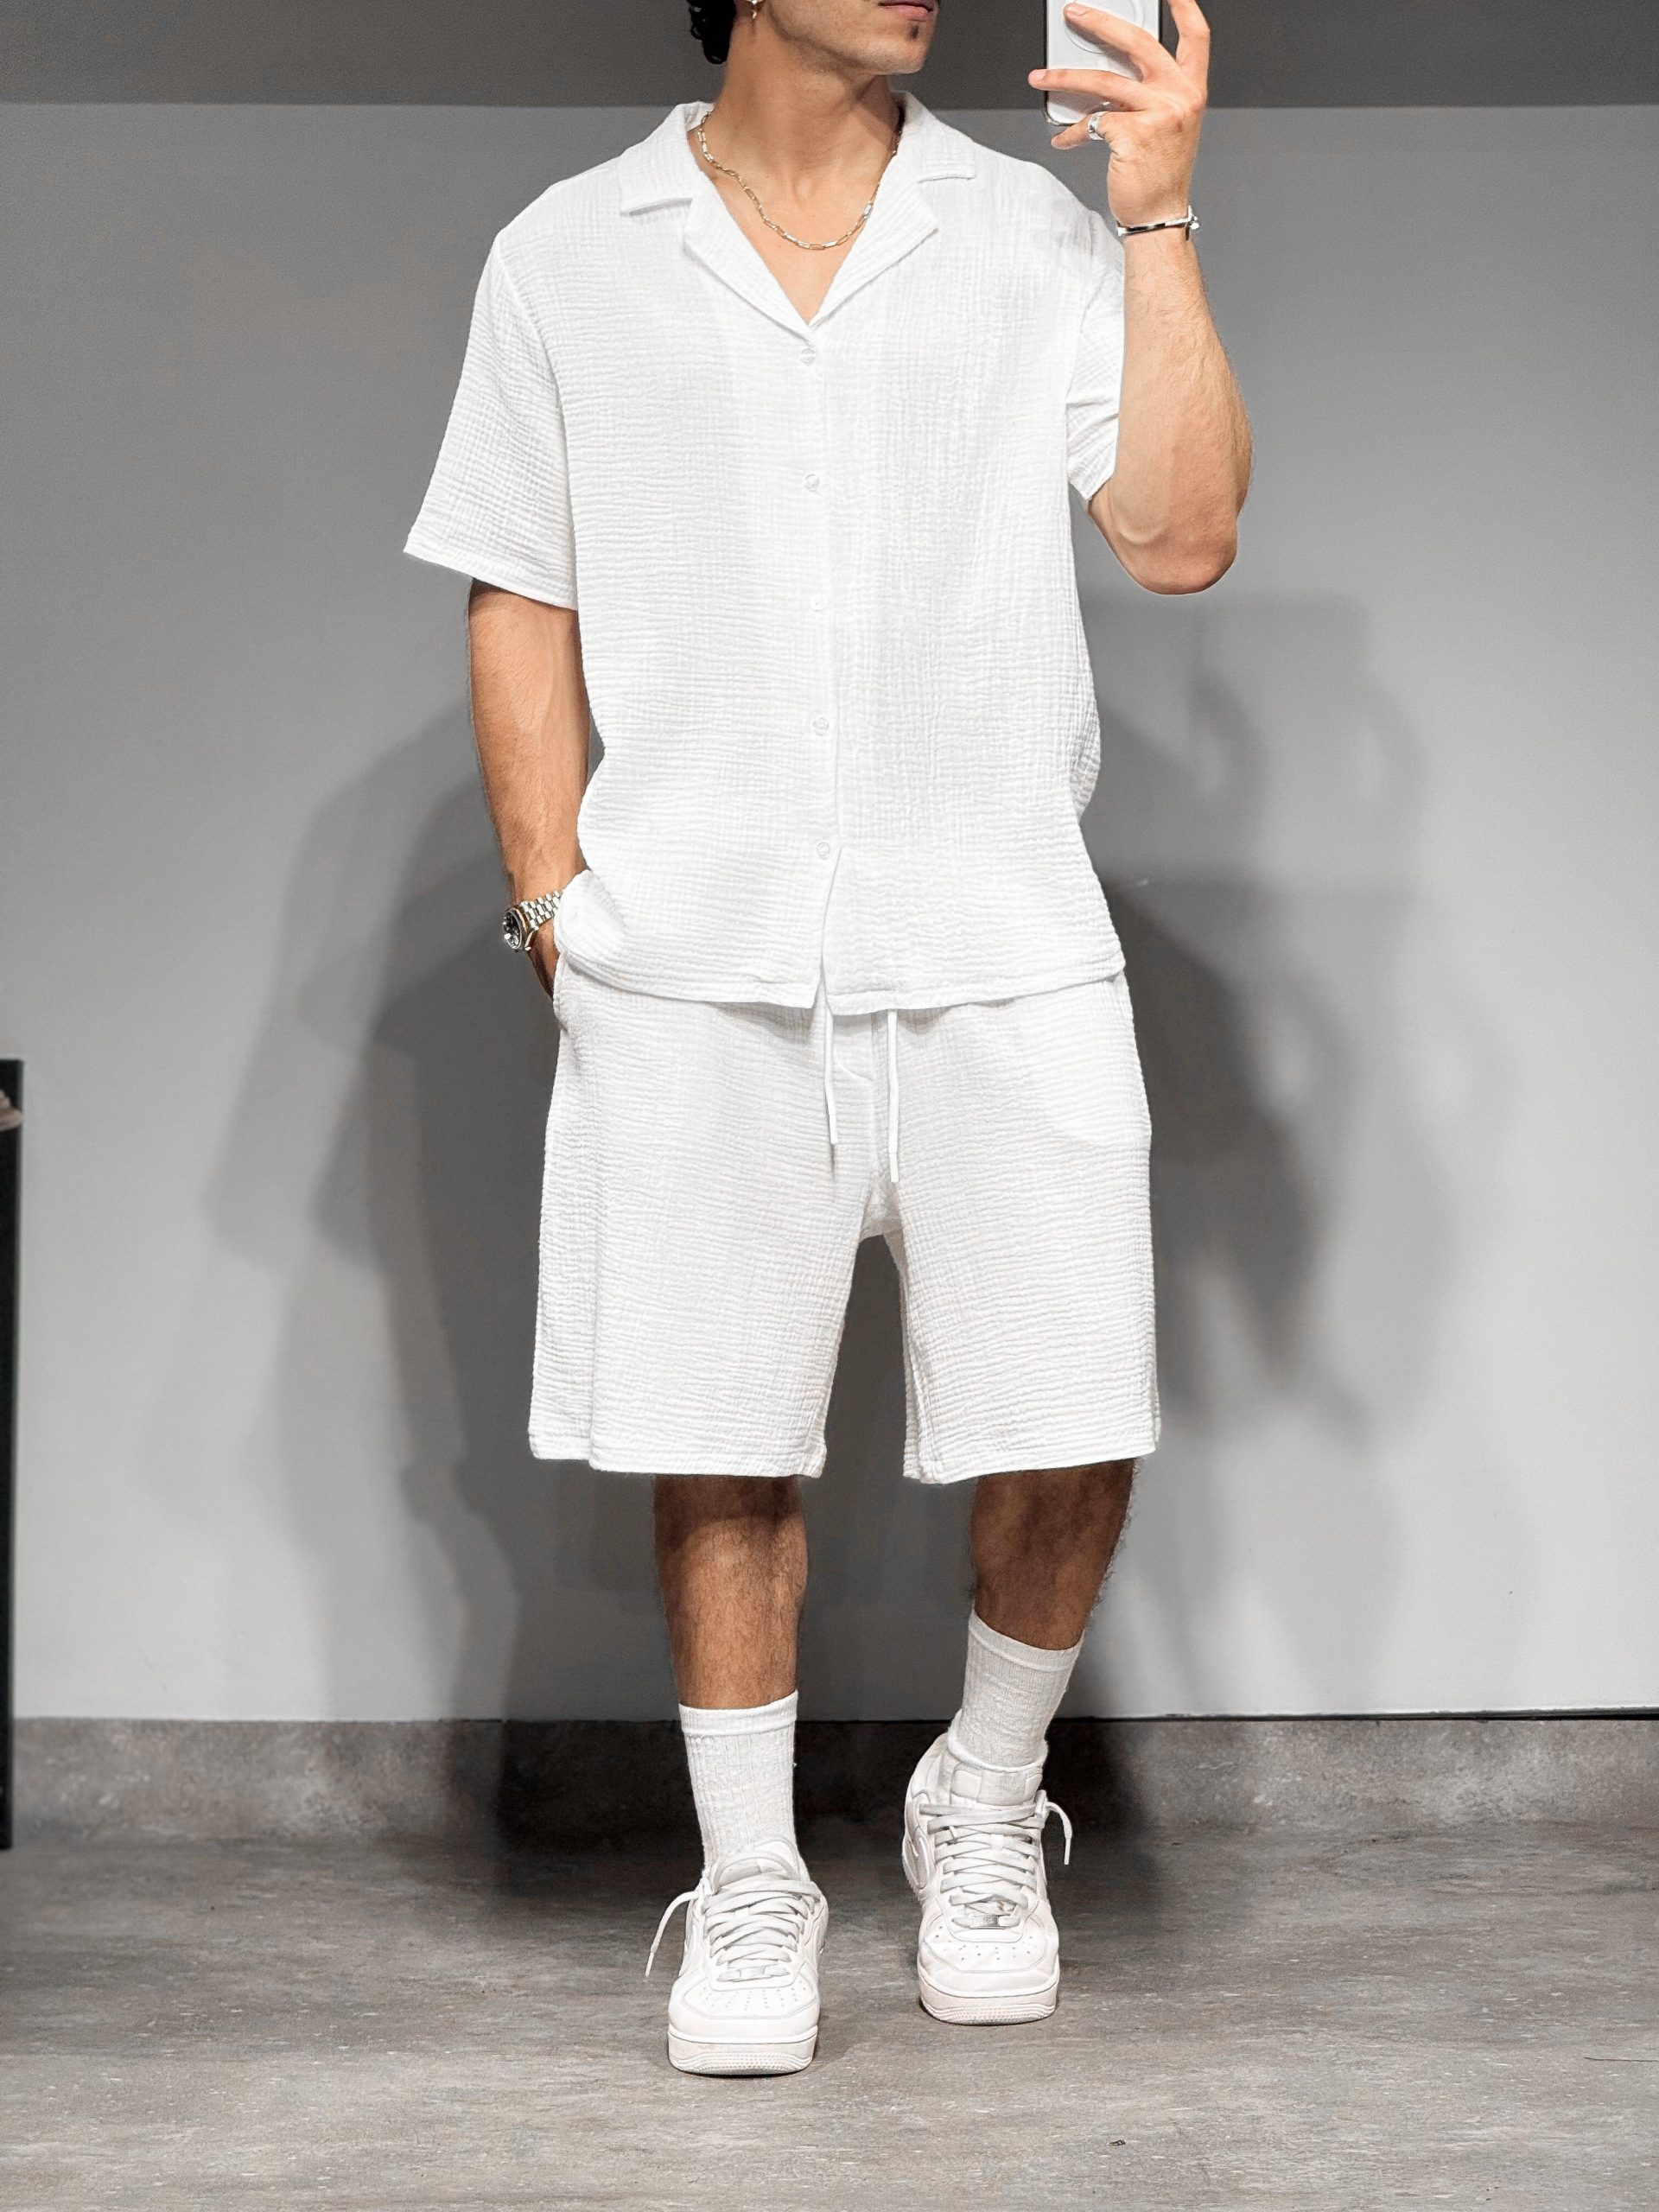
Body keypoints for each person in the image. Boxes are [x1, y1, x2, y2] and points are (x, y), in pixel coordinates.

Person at [404, 0, 1249, 2075]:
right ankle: (754, 1873)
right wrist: (556, 909)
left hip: (1004, 937)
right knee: (721, 1430)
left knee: (1070, 1403)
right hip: (693, 955)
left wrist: (1158, 216)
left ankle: (985, 1793)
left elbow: (1182, 533)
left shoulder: (1034, 237)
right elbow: (518, 585)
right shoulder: (568, 252)